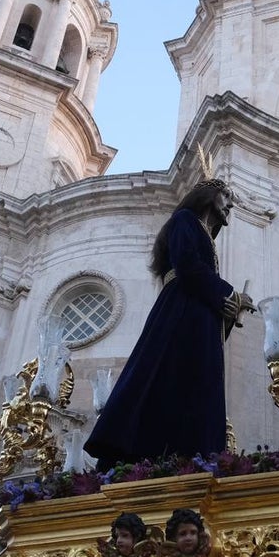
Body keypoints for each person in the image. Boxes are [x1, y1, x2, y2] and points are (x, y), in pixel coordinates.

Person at [84, 178, 254, 470]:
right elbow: (188, 265)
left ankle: (189, 456)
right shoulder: (184, 220)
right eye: (227, 196)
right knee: (168, 375)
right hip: (181, 310)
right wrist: (229, 294)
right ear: (210, 196)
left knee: (193, 380)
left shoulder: (207, 237)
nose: (231, 204)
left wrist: (227, 310)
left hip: (197, 313)